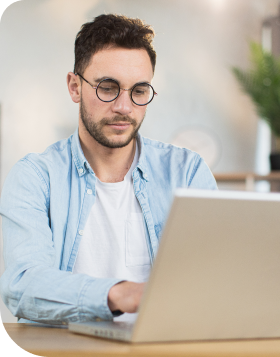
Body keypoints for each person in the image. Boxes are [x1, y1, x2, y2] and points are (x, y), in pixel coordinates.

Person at [0, 14, 217, 324]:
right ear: (75, 87)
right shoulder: (36, 177)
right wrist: (118, 294)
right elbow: (23, 285)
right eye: (108, 87)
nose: (124, 108)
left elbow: (214, 274)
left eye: (139, 91)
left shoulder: (187, 172)